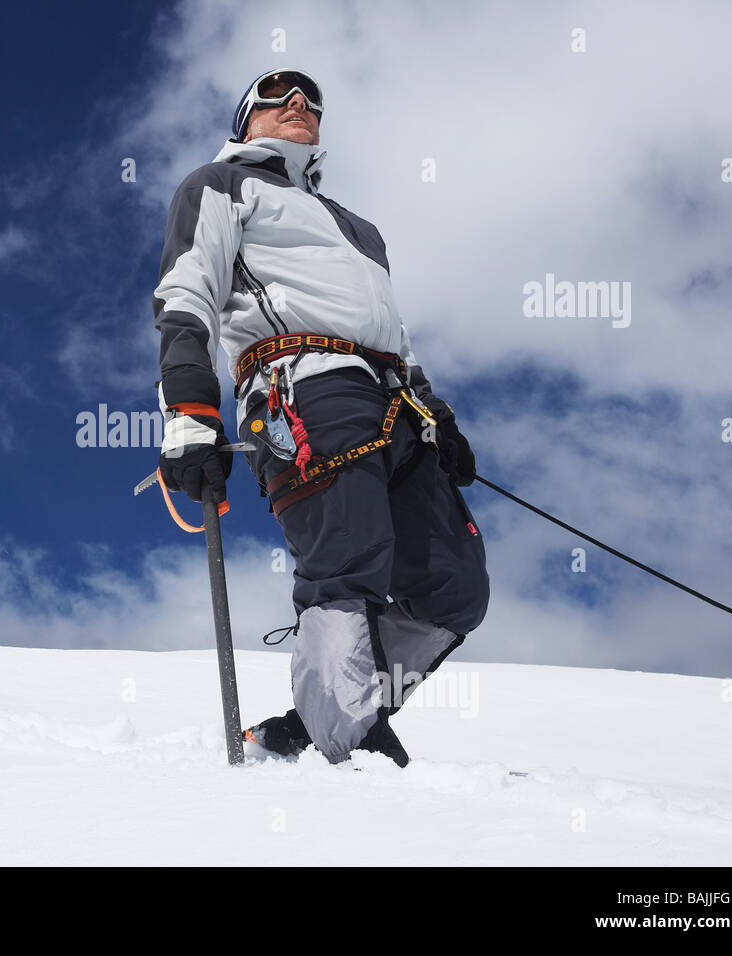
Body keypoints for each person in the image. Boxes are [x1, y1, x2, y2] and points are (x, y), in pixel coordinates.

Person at [152, 68, 490, 767]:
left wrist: (438, 415)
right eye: (276, 99)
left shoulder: (358, 228)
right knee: (347, 562)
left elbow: (393, 331)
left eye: (310, 101)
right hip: (301, 385)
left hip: (394, 400)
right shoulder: (219, 184)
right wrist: (189, 412)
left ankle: (319, 720)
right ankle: (352, 753)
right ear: (246, 121)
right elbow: (188, 292)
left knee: (454, 588)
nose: (297, 106)